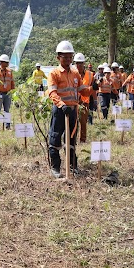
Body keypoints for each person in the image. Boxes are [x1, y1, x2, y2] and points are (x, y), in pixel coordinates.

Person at [47, 41, 92, 178]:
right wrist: (62, 105)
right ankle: (55, 168)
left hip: (72, 110)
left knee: (71, 139)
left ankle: (72, 166)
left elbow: (83, 91)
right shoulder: (54, 74)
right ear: (58, 57)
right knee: (55, 137)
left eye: (70, 57)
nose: (68, 60)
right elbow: (52, 93)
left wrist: (93, 88)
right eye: (65, 57)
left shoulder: (75, 74)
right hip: (60, 110)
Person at [74, 53, 94, 143]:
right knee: (73, 122)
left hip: (85, 101)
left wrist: (95, 99)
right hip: (73, 101)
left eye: (80, 63)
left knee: (83, 122)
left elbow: (93, 88)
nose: (79, 65)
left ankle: (82, 140)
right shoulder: (71, 74)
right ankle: (72, 139)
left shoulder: (90, 75)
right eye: (77, 63)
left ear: (84, 64)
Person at [0, 54, 15, 129]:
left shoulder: (9, 72)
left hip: (8, 93)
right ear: (1, 62)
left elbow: (12, 82)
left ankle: (7, 126)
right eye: (6, 62)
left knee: (7, 110)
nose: (7, 64)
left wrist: (13, 91)